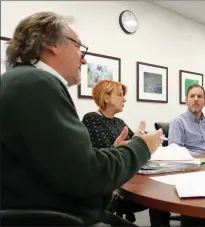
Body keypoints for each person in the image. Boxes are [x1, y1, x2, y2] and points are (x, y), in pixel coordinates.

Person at [0, 12, 163, 226]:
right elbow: (88, 177)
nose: (84, 59)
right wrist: (142, 146)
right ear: (51, 44)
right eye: (78, 47)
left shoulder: (21, 81)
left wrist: (117, 151)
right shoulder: (36, 84)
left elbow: (66, 164)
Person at [82, 80, 169, 226]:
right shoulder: (92, 119)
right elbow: (101, 159)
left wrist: (142, 138)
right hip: (114, 186)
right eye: (120, 95)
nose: (125, 99)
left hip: (130, 176)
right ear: (106, 98)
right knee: (158, 195)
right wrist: (120, 146)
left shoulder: (118, 122)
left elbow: (134, 142)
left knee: (161, 193)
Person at [168, 84, 205, 155]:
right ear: (186, 102)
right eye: (192, 96)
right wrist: (196, 155)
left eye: (199, 96)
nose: (196, 99)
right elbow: (175, 149)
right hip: (192, 162)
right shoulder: (178, 122)